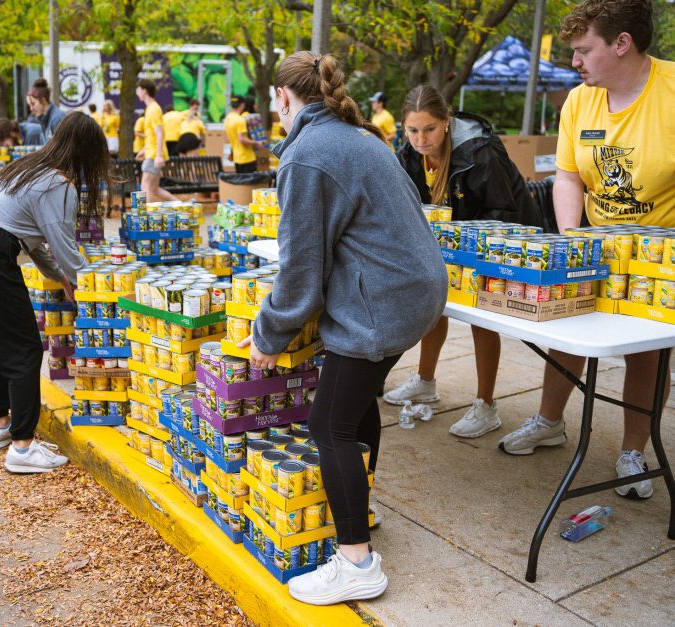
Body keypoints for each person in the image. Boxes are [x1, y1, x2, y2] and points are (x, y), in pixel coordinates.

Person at [238, 52, 447, 605]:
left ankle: (356, 562)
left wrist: (267, 336)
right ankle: (362, 508)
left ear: (284, 97)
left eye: (272, 102)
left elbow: (302, 270)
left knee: (327, 424)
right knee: (356, 408)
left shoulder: (307, 155)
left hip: (383, 302)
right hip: (415, 294)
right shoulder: (357, 136)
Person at [498, 0, 675, 500]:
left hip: (658, 256)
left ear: (622, 44)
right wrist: (571, 242)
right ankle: (549, 422)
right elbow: (569, 176)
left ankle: (633, 452)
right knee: (568, 330)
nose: (574, 62)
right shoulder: (580, 101)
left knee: (649, 355)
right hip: (594, 241)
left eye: (583, 50)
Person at [0, 113, 106, 472]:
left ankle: (0, 424)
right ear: (87, 152)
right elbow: (64, 247)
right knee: (24, 349)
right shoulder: (58, 184)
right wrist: (93, 284)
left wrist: (59, 276)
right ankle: (22, 447)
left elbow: (34, 241)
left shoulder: (29, 167)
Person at [386, 85, 540, 438]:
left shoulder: (479, 152)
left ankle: (486, 406)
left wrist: (466, 247)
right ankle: (425, 381)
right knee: (433, 303)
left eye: (429, 129)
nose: (421, 139)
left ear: (446, 122)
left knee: (481, 318)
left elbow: (503, 212)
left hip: (502, 242)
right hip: (450, 245)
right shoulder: (408, 157)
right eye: (412, 130)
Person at [135, 79, 178, 202]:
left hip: (154, 154)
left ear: (144, 91)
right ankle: (181, 206)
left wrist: (158, 155)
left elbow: (160, 133)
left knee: (145, 188)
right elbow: (152, 135)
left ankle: (145, 218)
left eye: (138, 90)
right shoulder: (151, 108)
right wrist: (144, 150)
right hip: (152, 152)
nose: (137, 93)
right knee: (154, 189)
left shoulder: (153, 109)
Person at [21, 78, 66, 145]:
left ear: (43, 100)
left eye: (33, 104)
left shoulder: (57, 119)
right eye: (29, 105)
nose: (31, 109)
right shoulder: (46, 119)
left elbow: (61, 150)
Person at [224, 96, 262, 173]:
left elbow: (227, 139)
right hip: (247, 158)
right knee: (250, 184)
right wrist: (256, 143)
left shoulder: (228, 118)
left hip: (237, 158)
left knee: (241, 183)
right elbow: (242, 139)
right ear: (242, 105)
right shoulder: (240, 120)